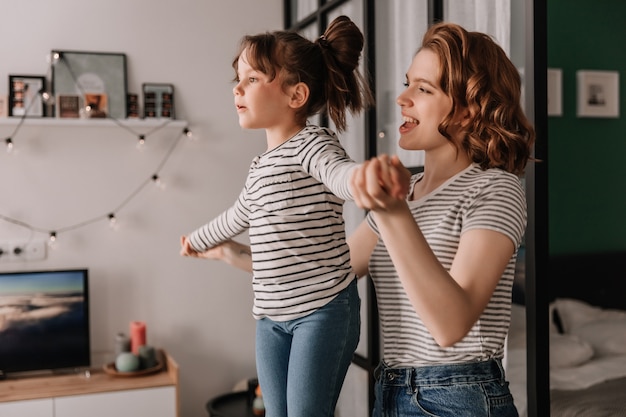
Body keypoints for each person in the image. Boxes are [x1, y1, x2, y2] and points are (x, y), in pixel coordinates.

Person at [180, 16, 388, 417]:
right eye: (237, 80)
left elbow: (339, 175)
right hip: (270, 318)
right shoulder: (260, 167)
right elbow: (237, 214)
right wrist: (198, 239)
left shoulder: (312, 144)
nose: (238, 88)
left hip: (323, 310)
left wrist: (362, 177)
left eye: (253, 79)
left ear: (296, 96)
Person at [347, 22, 535, 416]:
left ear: (468, 111)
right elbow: (330, 271)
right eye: (407, 83)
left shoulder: (495, 189)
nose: (402, 98)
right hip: (390, 390)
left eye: (423, 89)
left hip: (459, 396)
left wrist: (393, 211)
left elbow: (452, 324)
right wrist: (236, 251)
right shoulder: (406, 193)